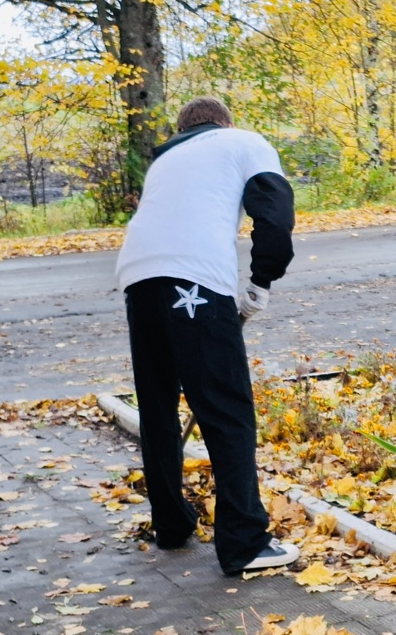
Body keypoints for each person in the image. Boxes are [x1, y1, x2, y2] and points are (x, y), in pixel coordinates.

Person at [115, 96, 300, 575]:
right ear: (226, 122)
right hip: (194, 281)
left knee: (157, 405)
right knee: (226, 409)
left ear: (183, 129)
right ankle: (244, 543)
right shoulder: (244, 142)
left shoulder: (165, 159)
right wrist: (261, 281)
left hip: (137, 277)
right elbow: (275, 214)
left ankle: (171, 525)